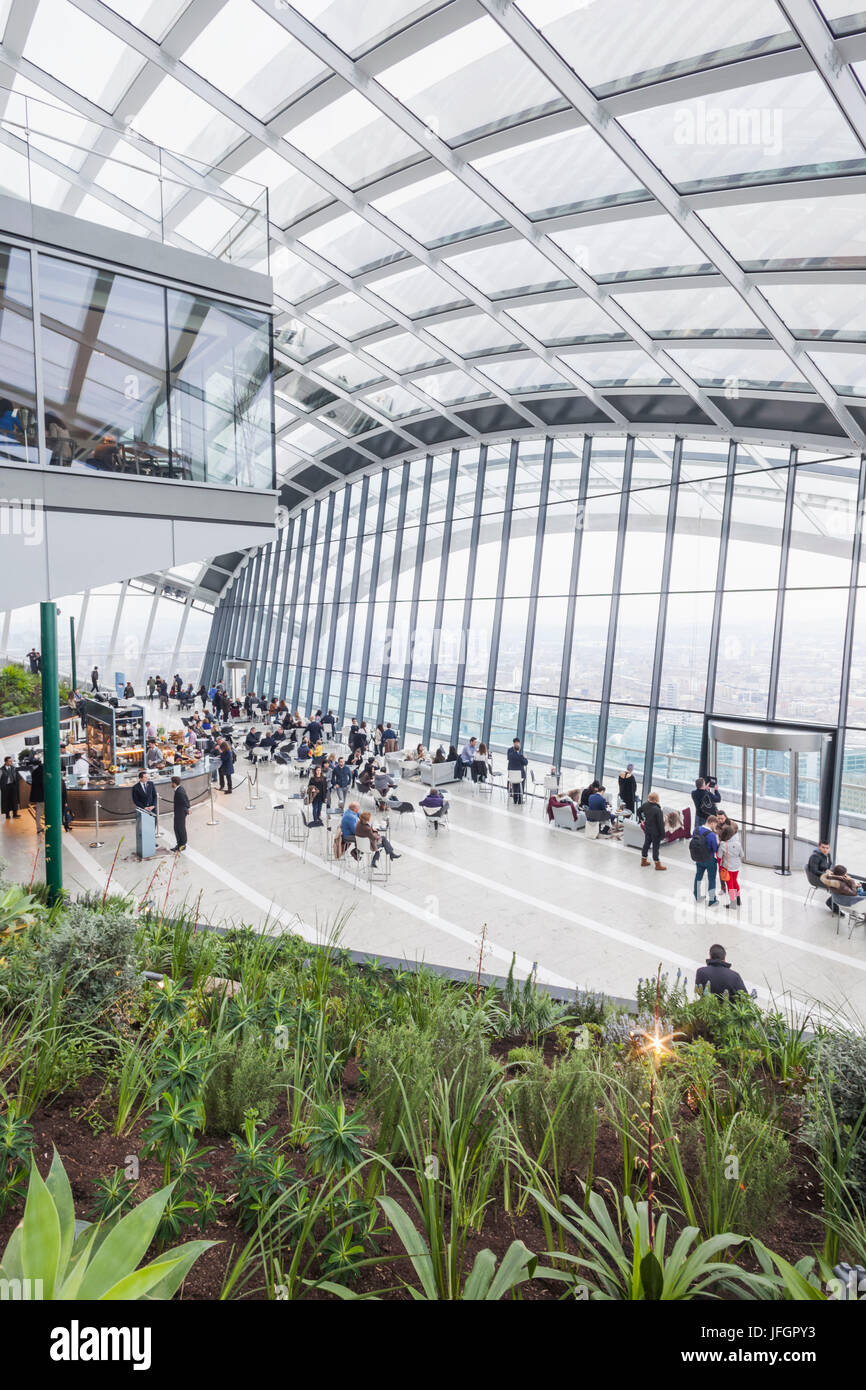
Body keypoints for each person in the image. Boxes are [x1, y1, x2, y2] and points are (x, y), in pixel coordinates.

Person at [691, 814, 720, 906]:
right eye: (715, 825)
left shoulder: (696, 829)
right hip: (709, 860)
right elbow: (715, 849)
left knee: (698, 876)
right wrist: (718, 842)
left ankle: (697, 895)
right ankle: (712, 900)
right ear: (712, 823)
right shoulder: (711, 835)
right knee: (711, 879)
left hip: (698, 858)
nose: (715, 827)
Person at [717, 821, 743, 909]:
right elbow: (742, 855)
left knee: (730, 884)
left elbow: (719, 856)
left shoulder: (723, 845)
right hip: (736, 867)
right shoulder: (738, 843)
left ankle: (732, 902)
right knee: (735, 881)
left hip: (727, 867)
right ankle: (738, 899)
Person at [638, 791, 666, 869]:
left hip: (647, 829)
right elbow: (660, 824)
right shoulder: (658, 810)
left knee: (646, 844)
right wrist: (663, 834)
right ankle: (657, 864)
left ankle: (643, 860)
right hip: (656, 832)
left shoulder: (645, 805)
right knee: (655, 848)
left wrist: (641, 819)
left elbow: (638, 811)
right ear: (657, 799)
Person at [506, 738, 528, 804]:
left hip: (512, 771)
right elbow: (525, 762)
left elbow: (509, 759)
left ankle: (516, 800)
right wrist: (525, 757)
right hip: (519, 774)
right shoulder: (520, 755)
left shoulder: (510, 754)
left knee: (515, 785)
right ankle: (520, 800)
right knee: (521, 781)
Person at [171, 775, 190, 852]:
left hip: (180, 812)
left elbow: (184, 800)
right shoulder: (180, 789)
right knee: (178, 827)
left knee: (179, 828)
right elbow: (186, 798)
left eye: (171, 782)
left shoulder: (179, 791)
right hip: (180, 812)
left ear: (174, 783)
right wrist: (188, 807)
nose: (171, 784)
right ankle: (180, 843)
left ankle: (182, 844)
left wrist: (187, 808)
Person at [29, 758, 44, 834]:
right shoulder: (42, 771)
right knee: (44, 812)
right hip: (43, 796)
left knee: (38, 812)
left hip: (39, 796)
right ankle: (45, 826)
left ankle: (39, 827)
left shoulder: (35, 772)